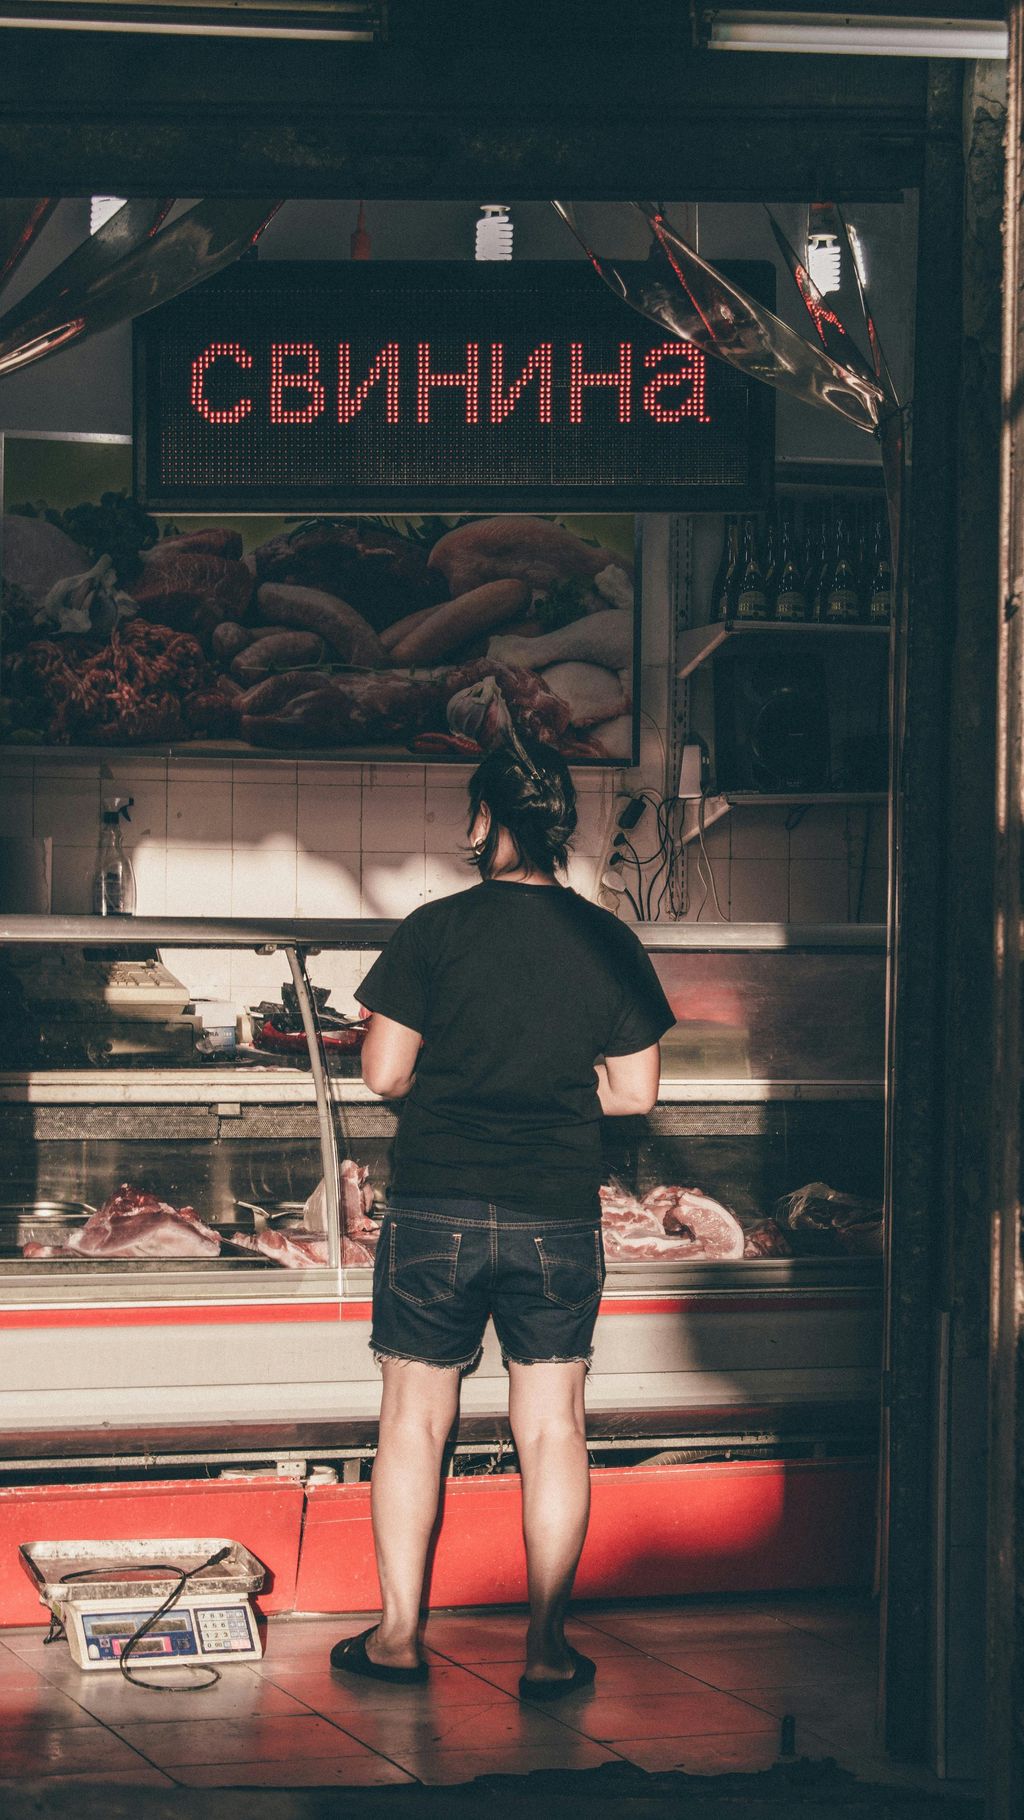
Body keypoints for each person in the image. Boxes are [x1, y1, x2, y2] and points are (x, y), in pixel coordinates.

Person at [330, 732, 674, 1699]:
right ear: (560, 829)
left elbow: (386, 1072)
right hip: (555, 1214)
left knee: (413, 1420)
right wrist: (555, 1090)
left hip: (436, 1204)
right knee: (553, 1429)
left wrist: (466, 1081)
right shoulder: (607, 937)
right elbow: (637, 1093)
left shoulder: (435, 929)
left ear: (486, 823)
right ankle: (548, 1649)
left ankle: (399, 1637)